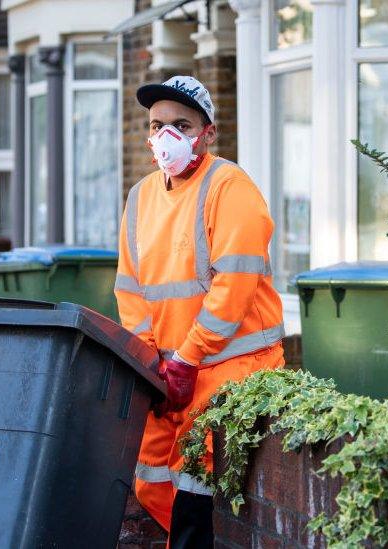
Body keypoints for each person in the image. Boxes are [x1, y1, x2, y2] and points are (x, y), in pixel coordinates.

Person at [115, 76, 285, 547]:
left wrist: (188, 358)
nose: (166, 135)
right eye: (157, 124)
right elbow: (131, 291)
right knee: (150, 479)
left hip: (229, 366)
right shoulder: (141, 197)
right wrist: (151, 360)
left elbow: (233, 287)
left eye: (181, 125)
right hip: (169, 374)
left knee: (195, 487)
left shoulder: (229, 188)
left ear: (207, 132)